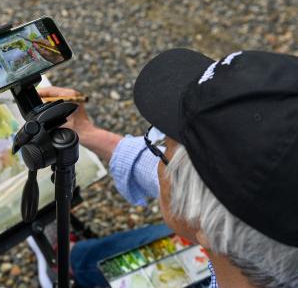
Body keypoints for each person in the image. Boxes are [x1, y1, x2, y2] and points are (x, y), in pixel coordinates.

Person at [38, 49, 298, 288]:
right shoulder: (256, 237)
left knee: (117, 257)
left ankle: (68, 262)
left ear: (206, 227)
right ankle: (74, 260)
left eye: (163, 148)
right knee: (100, 255)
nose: (160, 153)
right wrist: (88, 133)